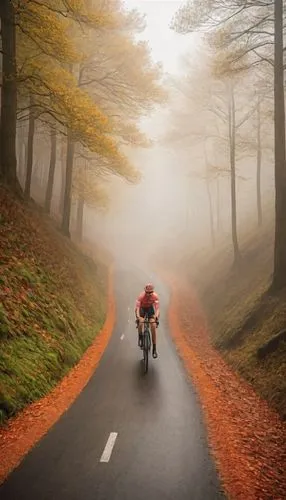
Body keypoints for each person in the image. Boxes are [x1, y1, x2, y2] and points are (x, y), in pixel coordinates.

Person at [135, 283, 160, 359]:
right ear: (145, 291)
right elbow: (137, 309)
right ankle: (140, 337)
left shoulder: (155, 296)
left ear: (153, 292)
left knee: (153, 326)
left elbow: (157, 309)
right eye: (147, 292)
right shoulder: (141, 296)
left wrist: (156, 317)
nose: (149, 294)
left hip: (150, 309)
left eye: (150, 292)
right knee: (141, 323)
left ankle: (154, 349)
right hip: (142, 309)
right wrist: (138, 317)